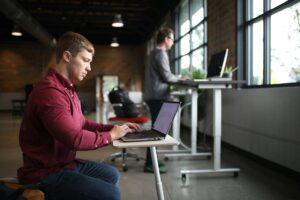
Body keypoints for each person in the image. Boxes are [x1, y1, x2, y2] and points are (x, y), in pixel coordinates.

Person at [17, 31, 140, 200]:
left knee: (111, 174)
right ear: (67, 56)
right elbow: (74, 138)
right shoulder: (50, 92)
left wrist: (114, 128)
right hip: (45, 172)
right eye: (86, 60)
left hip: (65, 164)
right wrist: (111, 136)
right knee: (112, 194)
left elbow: (81, 123)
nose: (89, 68)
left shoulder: (68, 89)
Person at [143, 28, 187, 173]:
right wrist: (180, 78)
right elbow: (167, 77)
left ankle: (152, 161)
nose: (173, 43)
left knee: (157, 130)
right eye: (172, 39)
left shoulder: (152, 53)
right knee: (159, 131)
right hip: (158, 96)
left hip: (152, 95)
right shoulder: (161, 53)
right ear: (166, 39)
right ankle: (150, 164)